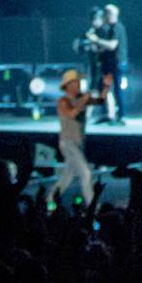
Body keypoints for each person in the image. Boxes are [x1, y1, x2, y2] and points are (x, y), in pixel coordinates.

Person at [51, 68, 100, 207]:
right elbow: (71, 114)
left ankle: (48, 201)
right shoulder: (63, 101)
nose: (79, 84)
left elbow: (100, 101)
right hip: (68, 143)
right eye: (76, 82)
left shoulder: (80, 99)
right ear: (69, 84)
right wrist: (82, 102)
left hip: (78, 143)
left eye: (79, 82)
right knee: (86, 173)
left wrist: (106, 86)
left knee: (67, 176)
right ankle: (93, 207)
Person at [92, 3, 128, 124]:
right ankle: (109, 115)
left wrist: (96, 40)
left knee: (117, 90)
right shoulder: (109, 29)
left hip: (117, 63)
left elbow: (112, 45)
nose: (105, 17)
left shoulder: (117, 27)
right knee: (106, 89)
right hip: (109, 63)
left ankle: (122, 116)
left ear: (111, 15)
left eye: (106, 14)